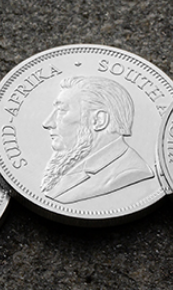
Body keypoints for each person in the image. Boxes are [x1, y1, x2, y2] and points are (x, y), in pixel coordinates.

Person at [40, 76, 154, 204]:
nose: (47, 123)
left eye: (62, 111)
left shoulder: (129, 172)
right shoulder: (74, 162)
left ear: (99, 120)